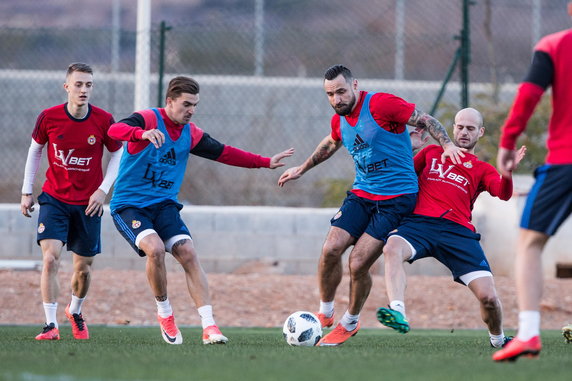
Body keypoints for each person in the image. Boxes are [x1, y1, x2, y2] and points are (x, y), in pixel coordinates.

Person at [278, 64, 464, 346]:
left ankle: (349, 322)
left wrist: (447, 144)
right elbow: (331, 143)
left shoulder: (381, 103)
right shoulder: (339, 119)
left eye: (341, 91)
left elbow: (425, 120)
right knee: (330, 249)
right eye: (330, 94)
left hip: (396, 199)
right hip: (362, 194)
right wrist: (302, 168)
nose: (336, 99)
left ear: (355, 85)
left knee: (358, 262)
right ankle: (326, 313)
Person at [108, 75, 294, 345]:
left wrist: (265, 162)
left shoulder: (190, 133)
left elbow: (224, 152)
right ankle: (165, 314)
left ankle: (209, 326)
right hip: (130, 206)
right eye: (186, 104)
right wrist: (141, 133)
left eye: (195, 105)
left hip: (164, 206)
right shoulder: (148, 119)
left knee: (188, 252)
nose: (191, 110)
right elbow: (114, 131)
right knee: (156, 249)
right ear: (169, 102)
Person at [377, 108, 525, 349]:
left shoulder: (482, 168)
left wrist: (507, 172)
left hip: (458, 233)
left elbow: (503, 194)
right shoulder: (431, 152)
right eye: (460, 127)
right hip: (420, 225)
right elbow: (399, 175)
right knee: (392, 247)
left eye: (470, 128)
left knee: (488, 298)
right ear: (453, 128)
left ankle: (498, 340)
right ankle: (398, 312)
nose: (464, 132)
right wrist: (408, 148)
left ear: (481, 132)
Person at [20, 62, 124, 341]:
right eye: (78, 84)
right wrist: (26, 191)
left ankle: (75, 311)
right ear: (67, 87)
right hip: (54, 198)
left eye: (88, 85)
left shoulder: (103, 120)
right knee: (51, 258)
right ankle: (50, 325)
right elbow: (35, 151)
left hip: (88, 204)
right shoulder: (49, 117)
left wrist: (103, 190)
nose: (84, 90)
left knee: (83, 268)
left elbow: (118, 154)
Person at [493, 2, 572, 362]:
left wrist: (507, 143)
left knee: (530, 242)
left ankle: (527, 334)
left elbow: (528, 96)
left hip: (565, 162)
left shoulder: (555, 46)